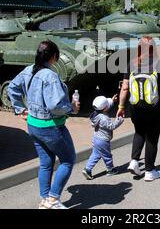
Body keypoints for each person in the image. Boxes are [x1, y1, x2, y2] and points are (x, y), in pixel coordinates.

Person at [8, 40, 80, 209]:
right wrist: (72, 108)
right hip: (51, 127)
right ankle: (53, 199)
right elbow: (55, 106)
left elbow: (12, 87)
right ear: (54, 56)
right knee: (68, 160)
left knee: (46, 163)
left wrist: (20, 109)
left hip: (33, 126)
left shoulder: (28, 70)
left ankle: (44, 200)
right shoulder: (50, 75)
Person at [117, 36, 160, 182]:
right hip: (155, 108)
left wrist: (121, 106)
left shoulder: (131, 64)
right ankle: (150, 171)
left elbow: (125, 87)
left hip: (135, 108)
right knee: (152, 138)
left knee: (139, 132)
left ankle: (134, 161)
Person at [82, 95, 124, 180]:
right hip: (103, 141)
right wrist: (119, 121)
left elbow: (106, 106)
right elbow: (111, 126)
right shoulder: (104, 118)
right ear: (105, 108)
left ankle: (87, 169)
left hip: (96, 138)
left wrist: (112, 101)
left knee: (96, 154)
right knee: (107, 155)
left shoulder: (96, 113)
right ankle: (110, 169)